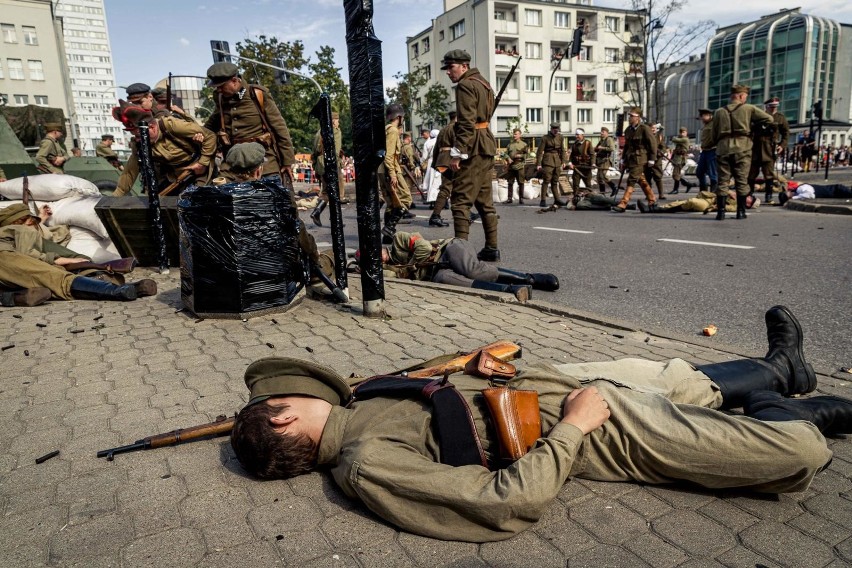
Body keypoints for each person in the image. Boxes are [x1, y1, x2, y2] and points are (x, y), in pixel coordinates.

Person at [230, 305, 850, 543]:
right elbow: (507, 502)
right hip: (591, 424)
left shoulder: (353, 409)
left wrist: (474, 364)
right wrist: (576, 427)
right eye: (295, 394)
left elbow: (433, 390)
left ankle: (782, 369)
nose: (316, 389)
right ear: (284, 417)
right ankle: (796, 408)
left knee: (679, 376)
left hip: (547, 382)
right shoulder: (365, 464)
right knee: (794, 455)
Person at [0, 204, 157, 304]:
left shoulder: (15, 232)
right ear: (17, 223)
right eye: (31, 223)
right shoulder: (20, 230)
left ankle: (18, 296)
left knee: (51, 278)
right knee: (54, 276)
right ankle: (117, 291)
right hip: (5, 258)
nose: (35, 227)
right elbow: (28, 254)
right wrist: (57, 259)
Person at [373, 231, 558, 302]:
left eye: (376, 253)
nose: (379, 258)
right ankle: (512, 289)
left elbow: (425, 247)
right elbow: (392, 279)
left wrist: (410, 268)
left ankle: (530, 278)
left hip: (449, 248)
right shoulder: (390, 269)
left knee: (472, 270)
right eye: (373, 260)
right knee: (443, 279)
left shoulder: (399, 239)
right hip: (437, 271)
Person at [442, 49, 500, 262]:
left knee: (460, 201)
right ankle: (492, 248)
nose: (448, 72)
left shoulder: (466, 85)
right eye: (447, 68)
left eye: (451, 67)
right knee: (484, 201)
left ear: (464, 66)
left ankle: (461, 255)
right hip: (486, 144)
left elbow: (466, 123)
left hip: (473, 146)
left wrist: (458, 153)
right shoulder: (484, 83)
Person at [203, 62, 296, 182]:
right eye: (216, 87)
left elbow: (279, 128)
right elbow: (210, 127)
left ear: (235, 81)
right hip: (233, 163)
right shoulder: (220, 99)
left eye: (221, 86)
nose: (218, 90)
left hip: (263, 162)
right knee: (220, 197)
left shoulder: (257, 94)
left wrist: (287, 161)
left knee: (276, 197)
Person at [112, 102, 217, 196]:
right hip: (174, 179)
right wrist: (115, 197)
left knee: (198, 201)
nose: (138, 139)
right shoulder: (139, 144)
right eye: (135, 136)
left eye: (140, 135)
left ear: (152, 127)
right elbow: (129, 173)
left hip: (198, 171)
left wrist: (202, 163)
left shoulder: (171, 125)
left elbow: (210, 136)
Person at [710, 84, 773, 220]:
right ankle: (741, 211)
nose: (745, 99)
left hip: (723, 148)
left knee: (723, 181)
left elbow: (713, 134)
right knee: (741, 180)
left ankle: (720, 212)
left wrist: (720, 143)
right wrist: (753, 126)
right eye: (745, 96)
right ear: (741, 96)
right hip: (742, 148)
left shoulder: (719, 111)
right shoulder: (749, 109)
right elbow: (769, 119)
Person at [378, 104, 414, 243]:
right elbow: (389, 155)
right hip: (390, 168)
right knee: (405, 199)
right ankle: (389, 228)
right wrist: (393, 174)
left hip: (382, 169)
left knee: (392, 203)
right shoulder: (393, 130)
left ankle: (387, 237)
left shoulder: (385, 129)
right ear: (399, 117)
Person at [612, 108, 657, 213]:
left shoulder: (644, 128)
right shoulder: (628, 130)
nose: (630, 118)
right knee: (641, 179)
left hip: (641, 158)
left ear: (638, 117)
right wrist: (623, 158)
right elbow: (627, 146)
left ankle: (623, 203)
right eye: (629, 116)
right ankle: (652, 199)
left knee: (631, 179)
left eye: (632, 116)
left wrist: (652, 159)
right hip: (631, 158)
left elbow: (653, 144)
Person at [309, 111, 347, 227]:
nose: (338, 122)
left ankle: (316, 212)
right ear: (333, 121)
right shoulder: (335, 131)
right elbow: (335, 151)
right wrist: (338, 165)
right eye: (337, 120)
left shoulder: (319, 132)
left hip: (321, 164)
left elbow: (315, 151)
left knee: (326, 192)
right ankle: (336, 221)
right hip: (331, 165)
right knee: (338, 194)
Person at [750, 96, 790, 205]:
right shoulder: (758, 117)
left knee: (769, 174)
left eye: (775, 107)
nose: (773, 109)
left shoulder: (780, 118)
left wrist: (782, 145)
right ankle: (749, 194)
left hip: (770, 148)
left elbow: (786, 133)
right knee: (752, 173)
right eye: (771, 107)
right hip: (756, 148)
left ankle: (769, 195)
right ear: (766, 107)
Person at [428, 112, 458, 228]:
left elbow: (436, 148)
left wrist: (435, 163)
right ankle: (435, 216)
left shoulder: (442, 130)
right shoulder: (455, 128)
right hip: (451, 160)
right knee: (447, 188)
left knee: (454, 187)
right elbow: (458, 146)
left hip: (442, 160)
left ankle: (463, 213)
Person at [536, 122, 567, 208]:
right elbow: (539, 152)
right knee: (546, 180)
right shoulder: (545, 138)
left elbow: (562, 150)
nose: (555, 130)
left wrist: (564, 161)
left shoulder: (560, 137)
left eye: (557, 129)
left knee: (555, 181)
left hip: (557, 161)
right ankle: (543, 200)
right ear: (551, 129)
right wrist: (538, 164)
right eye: (554, 129)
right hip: (548, 161)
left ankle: (557, 199)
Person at [694, 108, 718, 195]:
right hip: (705, 151)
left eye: (703, 116)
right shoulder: (706, 125)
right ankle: (703, 192)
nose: (701, 119)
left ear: (709, 115)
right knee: (699, 172)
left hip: (712, 150)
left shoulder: (714, 124)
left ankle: (713, 194)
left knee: (713, 175)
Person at [501, 128, 528, 204]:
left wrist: (521, 155)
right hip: (511, 166)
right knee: (510, 182)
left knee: (521, 182)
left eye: (516, 134)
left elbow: (527, 155)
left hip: (520, 165)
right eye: (513, 134)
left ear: (520, 135)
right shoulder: (510, 145)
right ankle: (509, 198)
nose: (514, 135)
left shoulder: (524, 145)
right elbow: (505, 154)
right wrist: (508, 158)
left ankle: (521, 199)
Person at [668, 127, 695, 195]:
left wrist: (674, 137)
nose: (682, 134)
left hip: (681, 159)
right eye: (681, 132)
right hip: (677, 158)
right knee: (677, 175)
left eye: (684, 132)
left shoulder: (685, 139)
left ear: (686, 133)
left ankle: (676, 189)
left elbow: (674, 139)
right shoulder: (681, 139)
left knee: (675, 175)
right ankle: (688, 184)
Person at [593, 126, 618, 196]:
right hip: (600, 161)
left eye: (603, 132)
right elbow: (597, 149)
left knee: (602, 176)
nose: (601, 133)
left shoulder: (609, 139)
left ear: (607, 133)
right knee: (599, 178)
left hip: (605, 160)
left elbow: (612, 148)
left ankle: (614, 187)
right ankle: (602, 193)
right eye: (601, 132)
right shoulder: (601, 140)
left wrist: (602, 148)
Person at [646, 123, 666, 201]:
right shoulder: (646, 137)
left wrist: (661, 152)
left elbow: (663, 147)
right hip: (647, 158)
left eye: (654, 128)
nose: (653, 129)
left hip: (657, 159)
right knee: (648, 177)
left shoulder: (659, 136)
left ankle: (661, 194)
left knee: (658, 177)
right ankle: (649, 194)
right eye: (652, 128)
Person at [569, 128, 593, 194]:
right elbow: (572, 155)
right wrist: (570, 163)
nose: (576, 136)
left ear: (582, 135)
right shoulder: (574, 144)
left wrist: (593, 164)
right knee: (575, 185)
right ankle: (575, 199)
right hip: (577, 167)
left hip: (586, 167)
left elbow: (592, 155)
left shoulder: (588, 143)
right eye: (576, 135)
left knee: (588, 185)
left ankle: (591, 198)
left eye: (578, 135)